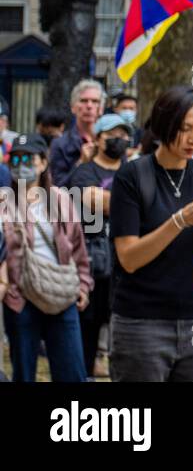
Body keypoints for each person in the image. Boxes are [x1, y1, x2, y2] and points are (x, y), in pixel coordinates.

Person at [108, 86, 193, 382]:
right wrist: (179, 220)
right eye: (184, 128)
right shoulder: (133, 176)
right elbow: (128, 258)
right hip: (142, 321)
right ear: (165, 125)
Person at [1, 135, 91, 382]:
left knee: (72, 373)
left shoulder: (60, 199)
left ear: (42, 163)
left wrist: (83, 284)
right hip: (20, 300)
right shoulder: (4, 203)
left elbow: (77, 246)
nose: (22, 166)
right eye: (16, 160)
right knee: (24, 374)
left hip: (61, 294)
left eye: (28, 159)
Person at [67, 113, 131, 379]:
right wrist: (131, 201)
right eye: (111, 136)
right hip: (94, 263)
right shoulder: (84, 172)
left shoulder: (133, 170)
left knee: (123, 329)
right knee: (88, 329)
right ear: (97, 139)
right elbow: (92, 200)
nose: (118, 141)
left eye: (123, 136)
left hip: (127, 263)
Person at [49, 79, 103, 188]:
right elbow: (59, 187)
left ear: (101, 108)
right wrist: (81, 163)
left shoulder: (111, 141)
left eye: (95, 101)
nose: (89, 106)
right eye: (83, 101)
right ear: (73, 107)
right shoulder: (60, 144)